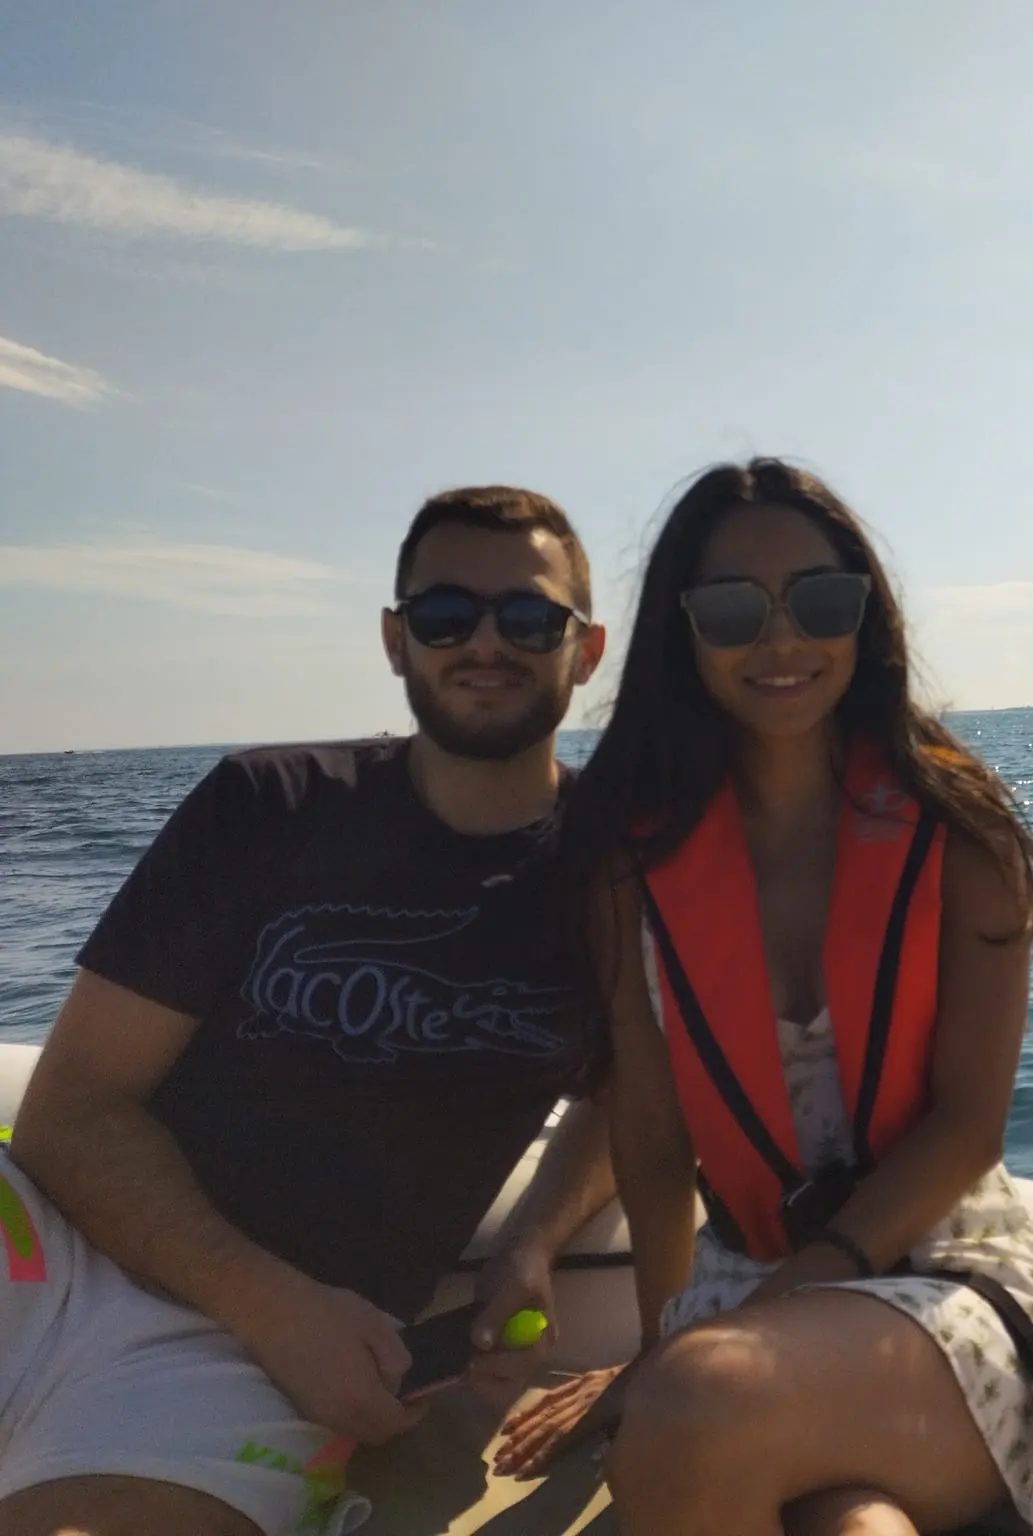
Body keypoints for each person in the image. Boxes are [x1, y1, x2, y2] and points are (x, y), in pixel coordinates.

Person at [493, 459, 1033, 1536]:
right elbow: (645, 1128)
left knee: (696, 1407)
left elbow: (967, 1128)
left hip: (955, 1278)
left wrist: (713, 1350)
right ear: (683, 632)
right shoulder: (628, 863)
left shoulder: (958, 831)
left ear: (864, 619)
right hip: (747, 1286)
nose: (781, 640)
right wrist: (665, 1333)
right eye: (733, 610)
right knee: (845, 1522)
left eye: (820, 601)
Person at [0, 487, 619, 1536]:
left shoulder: (617, 876)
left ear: (586, 648)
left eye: (527, 618)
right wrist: (270, 1305)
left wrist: (530, 1246)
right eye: (442, 615)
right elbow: (71, 1110)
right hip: (49, 1243)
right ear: (394, 638)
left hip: (243, 1371)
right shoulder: (268, 804)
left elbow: (640, 1097)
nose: (485, 643)